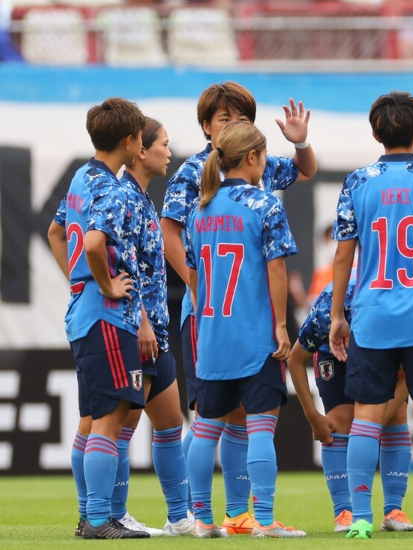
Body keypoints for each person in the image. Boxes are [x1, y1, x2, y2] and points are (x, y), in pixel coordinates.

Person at [160, 81, 316, 534]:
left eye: (241, 117)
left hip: (214, 324)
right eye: (224, 118)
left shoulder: (208, 202)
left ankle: (217, 517)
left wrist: (300, 141)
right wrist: (196, 283)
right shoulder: (200, 175)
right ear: (207, 127)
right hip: (244, 322)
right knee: (248, 422)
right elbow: (275, 270)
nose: (233, 124)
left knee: (216, 421)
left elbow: (304, 168)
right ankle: (249, 516)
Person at [328, 91, 413, 539]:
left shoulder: (357, 182)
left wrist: (335, 315)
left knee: (367, 417)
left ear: (375, 133)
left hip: (372, 316)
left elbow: (344, 259)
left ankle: (362, 519)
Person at [184, 121, 304, 538]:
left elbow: (195, 273)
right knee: (260, 428)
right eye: (265, 155)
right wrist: (282, 326)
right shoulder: (265, 205)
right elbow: (276, 268)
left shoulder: (200, 209)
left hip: (212, 337)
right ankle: (265, 520)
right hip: (255, 336)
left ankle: (200, 519)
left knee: (205, 430)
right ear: (252, 157)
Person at [45, 97, 149, 539]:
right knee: (110, 417)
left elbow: (55, 231)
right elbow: (91, 243)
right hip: (105, 314)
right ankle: (99, 519)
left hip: (82, 310)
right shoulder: (110, 186)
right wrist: (104, 284)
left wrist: (77, 281)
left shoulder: (80, 177)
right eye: (141, 135)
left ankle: (91, 515)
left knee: (93, 421)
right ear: (129, 141)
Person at [288, 269, 413, 533]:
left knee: (395, 415)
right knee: (339, 421)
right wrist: (312, 415)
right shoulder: (330, 312)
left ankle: (393, 510)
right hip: (333, 354)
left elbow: (409, 375)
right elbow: (294, 360)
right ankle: (344, 512)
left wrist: (371, 425)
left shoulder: (402, 308)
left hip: (381, 356)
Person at [111, 117, 193, 536]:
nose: (169, 150)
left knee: (170, 424)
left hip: (157, 335)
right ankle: (111, 515)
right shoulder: (124, 197)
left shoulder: (143, 198)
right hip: (136, 333)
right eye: (163, 143)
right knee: (120, 429)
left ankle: (179, 516)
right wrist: (141, 322)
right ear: (140, 150)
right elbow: (123, 267)